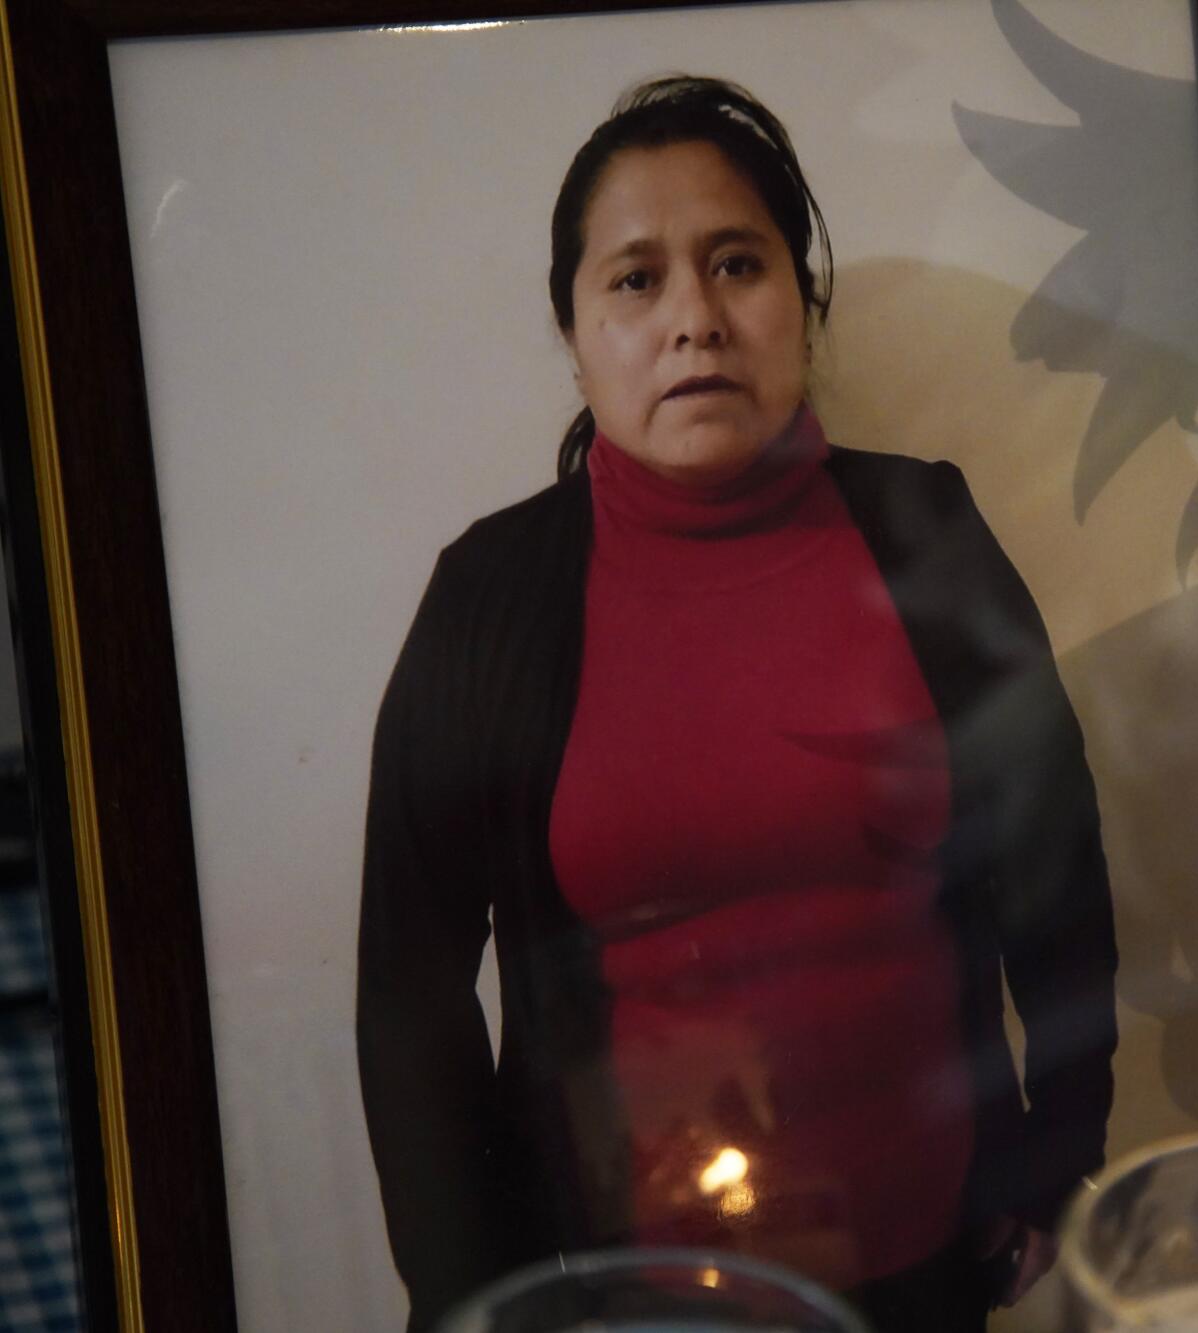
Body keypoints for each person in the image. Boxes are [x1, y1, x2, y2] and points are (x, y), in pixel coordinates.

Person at [354, 76, 1118, 1333]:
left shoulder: (927, 533)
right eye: (636, 279)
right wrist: (467, 1302)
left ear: (801, 306)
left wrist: (1060, 1149)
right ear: (573, 328)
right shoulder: (488, 599)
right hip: (618, 1295)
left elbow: (1055, 869)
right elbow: (410, 991)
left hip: (924, 1263)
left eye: (735, 265)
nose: (695, 320)